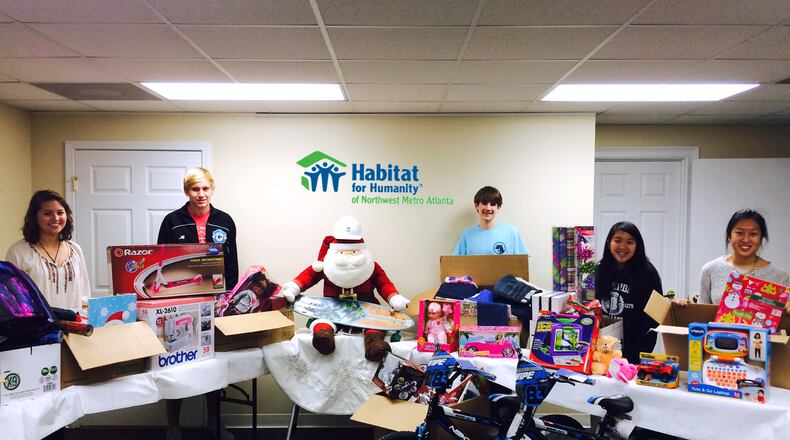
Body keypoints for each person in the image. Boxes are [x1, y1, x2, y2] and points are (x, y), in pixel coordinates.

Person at [157, 167, 237, 440]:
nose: (200, 194)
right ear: (186, 191)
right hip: (178, 301)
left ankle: (213, 423)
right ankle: (173, 425)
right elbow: (160, 262)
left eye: (205, 188)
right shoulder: (172, 221)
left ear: (212, 189)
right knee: (174, 361)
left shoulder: (225, 221)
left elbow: (232, 264)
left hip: (214, 303)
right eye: (195, 189)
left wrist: (228, 298)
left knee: (211, 362)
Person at [6, 190, 90, 310]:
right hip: (38, 326)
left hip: (74, 325)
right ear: (34, 217)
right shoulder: (18, 252)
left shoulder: (75, 249)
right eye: (47, 213)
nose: (55, 218)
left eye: (60, 212)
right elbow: (13, 299)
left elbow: (84, 294)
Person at [691, 209, 789, 310]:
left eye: (753, 234)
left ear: (761, 239)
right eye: (739, 232)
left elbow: (783, 321)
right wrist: (685, 308)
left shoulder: (780, 276)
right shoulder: (710, 269)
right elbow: (701, 315)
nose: (746, 240)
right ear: (729, 235)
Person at [595, 222, 662, 364]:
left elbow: (655, 316)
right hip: (600, 350)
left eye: (629, 242)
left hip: (634, 351)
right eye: (617, 241)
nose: (622, 247)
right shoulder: (598, 271)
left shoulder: (648, 273)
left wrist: (640, 352)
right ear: (609, 243)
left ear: (637, 246)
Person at [452, 186, 529, 256]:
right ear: (476, 206)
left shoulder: (512, 233)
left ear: (498, 207)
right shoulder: (467, 235)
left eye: (493, 204)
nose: (488, 208)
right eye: (484, 203)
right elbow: (456, 264)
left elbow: (522, 263)